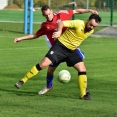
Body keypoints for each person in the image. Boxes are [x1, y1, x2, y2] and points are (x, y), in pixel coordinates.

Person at [14, 5, 98, 95]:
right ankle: (48, 86)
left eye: (49, 14)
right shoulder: (45, 26)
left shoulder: (61, 15)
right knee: (49, 70)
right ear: (43, 15)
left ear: (51, 11)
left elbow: (76, 11)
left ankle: (85, 91)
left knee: (81, 69)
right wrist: (21, 38)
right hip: (57, 49)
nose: (48, 16)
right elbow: (36, 35)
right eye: (46, 15)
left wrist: (89, 10)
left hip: (71, 48)